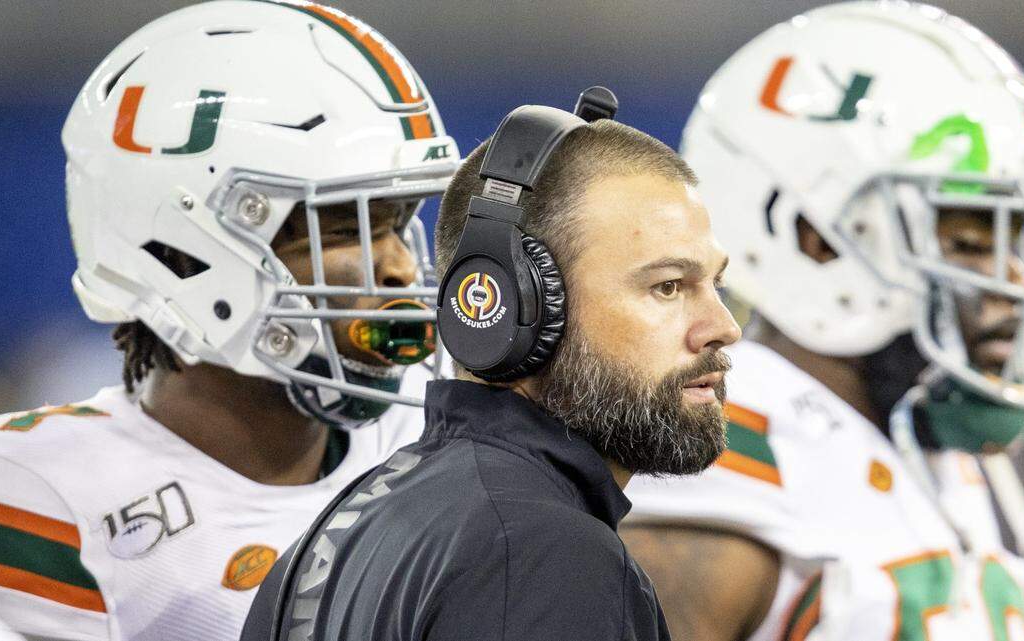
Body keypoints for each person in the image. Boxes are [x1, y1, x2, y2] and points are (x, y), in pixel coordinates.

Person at [0, 2, 461, 640]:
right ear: (180, 253)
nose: (395, 268)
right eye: (343, 225)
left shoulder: (440, 430)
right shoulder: (36, 496)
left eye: (395, 221)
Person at [622, 3, 1024, 641]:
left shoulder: (925, 435)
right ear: (816, 239)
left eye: (1011, 239)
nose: (1014, 282)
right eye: (965, 239)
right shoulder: (724, 458)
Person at [239, 92, 743, 641]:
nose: (723, 327)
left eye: (713, 284)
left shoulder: (329, 539)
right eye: (667, 287)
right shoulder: (545, 554)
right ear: (517, 307)